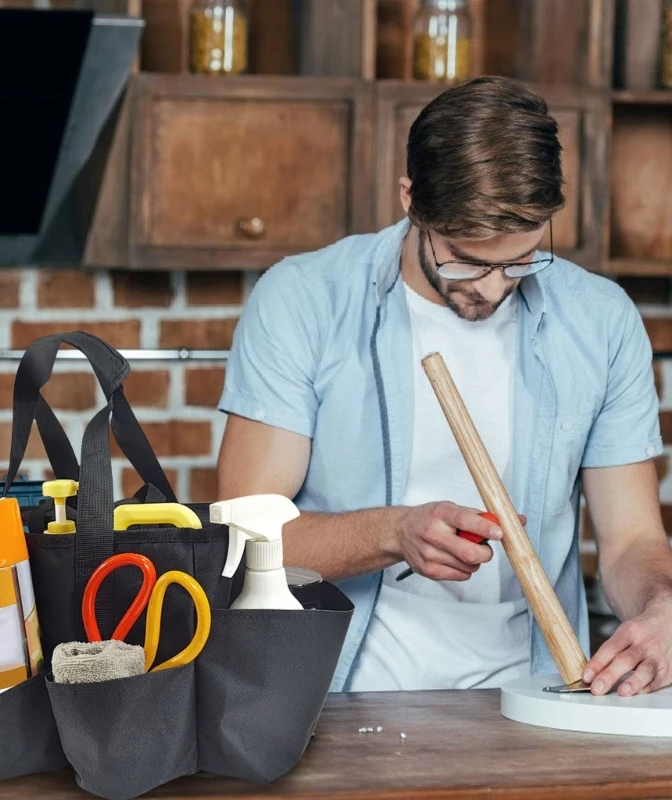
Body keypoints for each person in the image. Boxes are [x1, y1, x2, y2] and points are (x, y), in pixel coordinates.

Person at [216, 76, 671, 697]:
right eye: (466, 258)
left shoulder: (601, 320)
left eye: (521, 260)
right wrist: (394, 532)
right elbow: (247, 536)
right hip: (336, 701)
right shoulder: (302, 300)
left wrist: (662, 606)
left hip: (532, 698)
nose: (492, 286)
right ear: (410, 199)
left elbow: (632, 540)